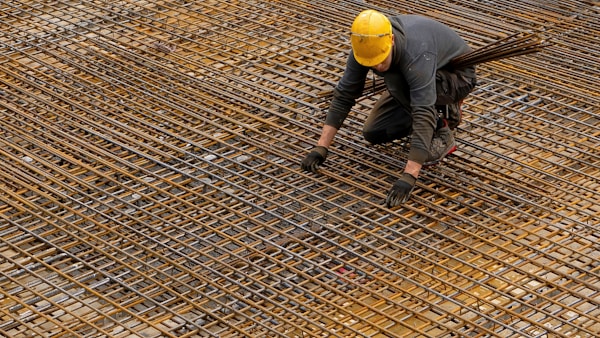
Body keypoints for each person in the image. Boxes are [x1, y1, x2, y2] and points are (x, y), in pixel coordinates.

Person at [301, 9, 477, 207]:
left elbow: (422, 110)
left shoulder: (416, 52)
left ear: (391, 40)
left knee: (396, 79)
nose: (376, 67)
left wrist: (409, 176)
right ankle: (432, 110)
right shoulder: (365, 45)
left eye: (380, 60)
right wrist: (321, 147)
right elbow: (344, 94)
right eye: (371, 63)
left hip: (455, 77)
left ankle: (443, 126)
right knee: (374, 132)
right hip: (412, 79)